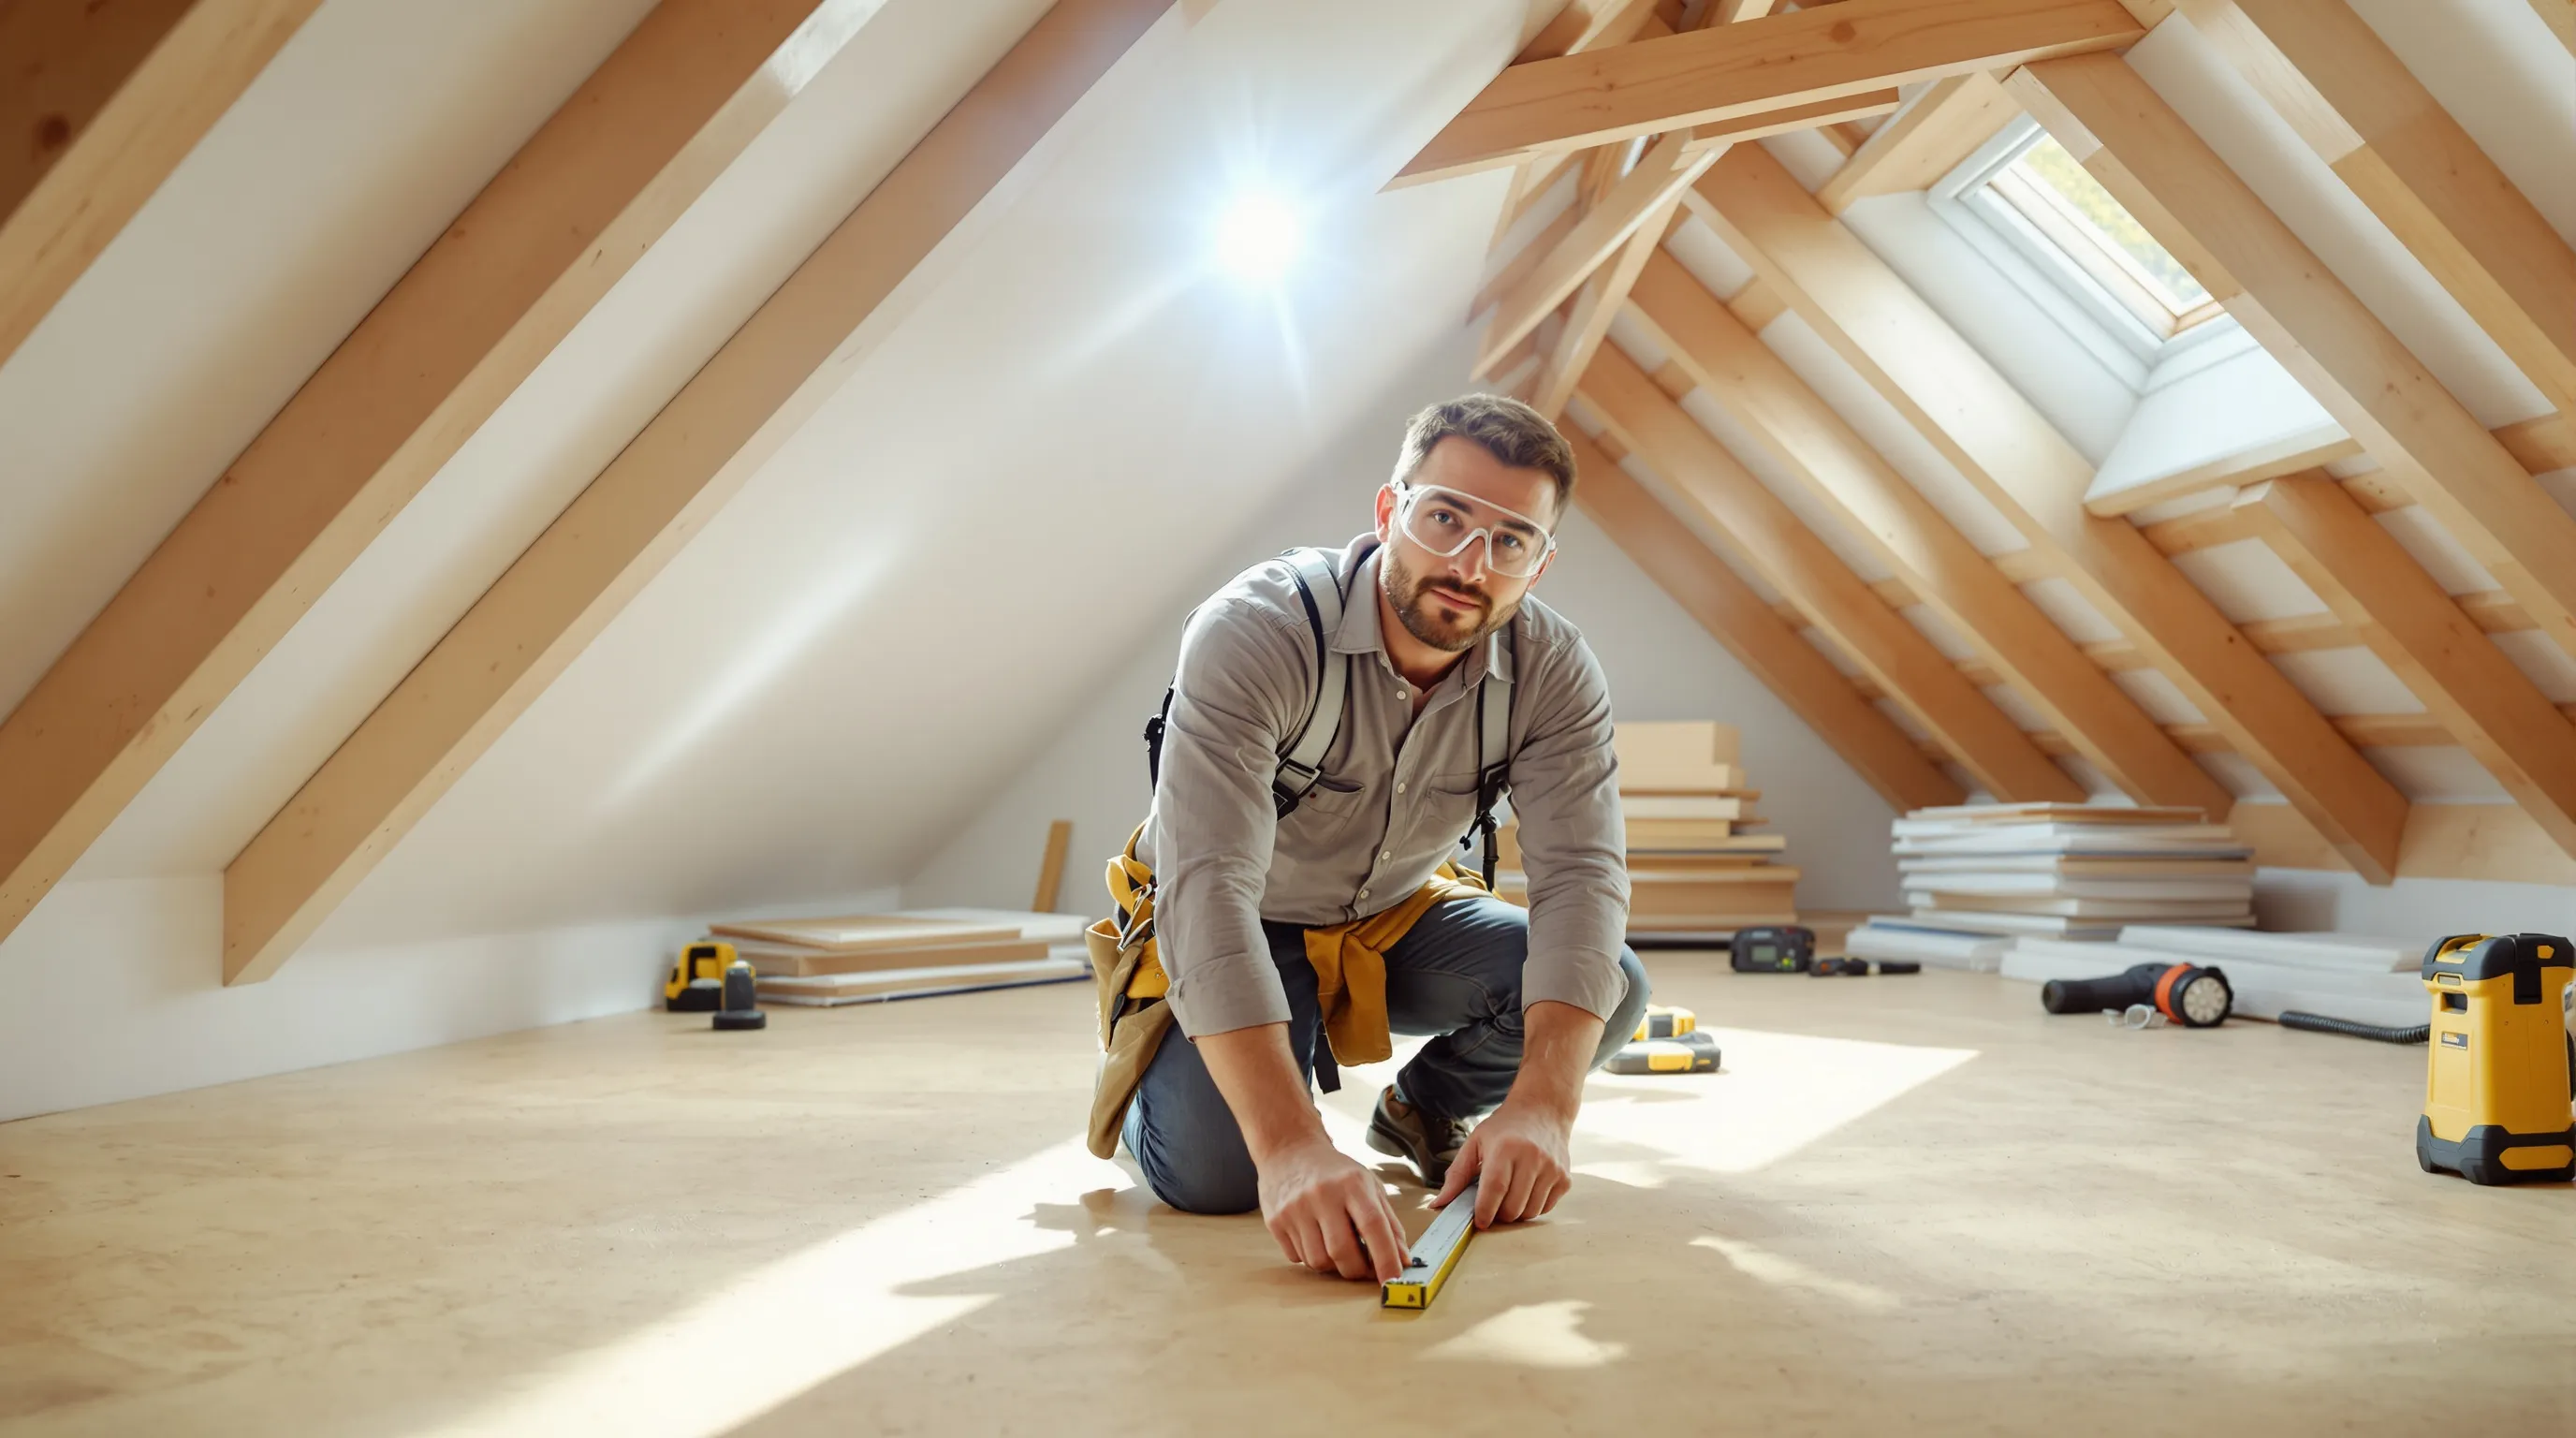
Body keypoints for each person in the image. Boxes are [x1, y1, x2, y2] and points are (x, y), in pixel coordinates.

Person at [1120, 392, 1647, 1284]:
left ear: (1539, 564)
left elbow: (1583, 884)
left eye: (1510, 540)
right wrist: (1291, 1147)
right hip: (1246, 917)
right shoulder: (1258, 632)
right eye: (1445, 517)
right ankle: (1153, 1084)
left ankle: (1421, 1105)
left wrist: (1546, 1107)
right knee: (1218, 1176)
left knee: (1613, 989)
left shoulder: (1552, 672)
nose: (1469, 563)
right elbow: (1207, 890)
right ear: (1388, 510)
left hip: (1392, 917)